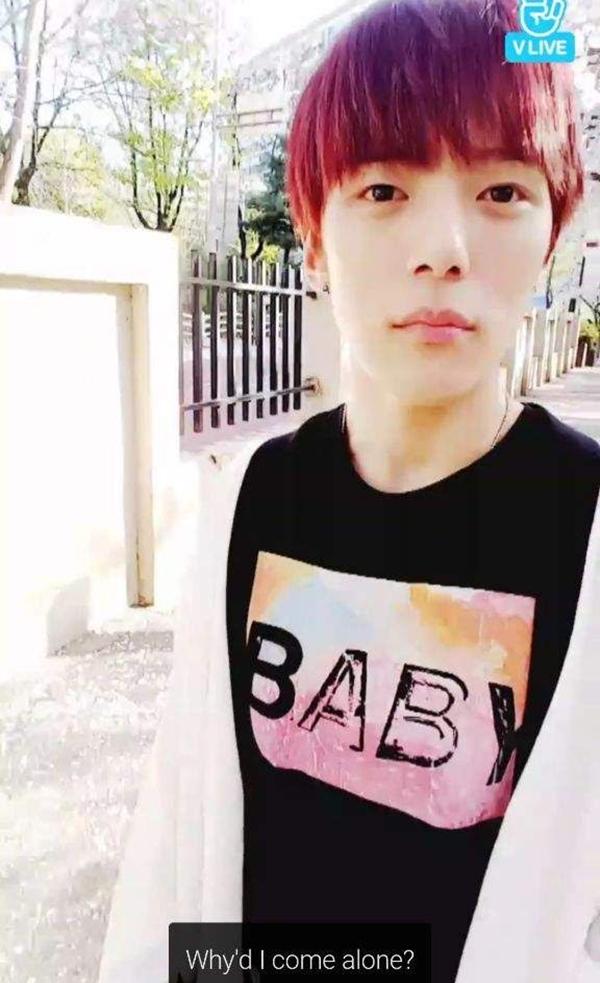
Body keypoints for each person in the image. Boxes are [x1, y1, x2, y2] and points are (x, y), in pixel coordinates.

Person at [97, 2, 600, 982]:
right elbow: (181, 841)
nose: (444, 246)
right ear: (314, 236)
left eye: (502, 190)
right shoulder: (253, 497)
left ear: (552, 236)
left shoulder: (585, 522)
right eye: (382, 188)